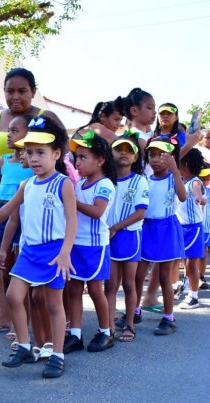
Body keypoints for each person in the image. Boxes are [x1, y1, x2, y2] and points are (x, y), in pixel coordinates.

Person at [0, 116, 76, 378]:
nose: (34, 158)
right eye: (29, 152)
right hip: (29, 252)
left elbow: (72, 220)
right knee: (13, 296)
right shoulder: (26, 184)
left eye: (41, 152)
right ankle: (25, 345)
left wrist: (65, 252)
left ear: (56, 154)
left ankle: (58, 355)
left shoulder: (63, 183)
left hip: (54, 252)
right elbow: (7, 210)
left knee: (54, 304)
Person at [0, 114, 33, 335]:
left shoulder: (32, 163)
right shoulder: (2, 161)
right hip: (3, 214)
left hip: (24, 216)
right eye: (8, 130)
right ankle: (4, 316)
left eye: (14, 131)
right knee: (4, 268)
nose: (8, 135)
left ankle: (21, 321)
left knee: (22, 270)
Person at [64, 131, 116, 353]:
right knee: (73, 290)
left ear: (101, 160)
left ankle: (106, 331)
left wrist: (72, 202)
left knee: (96, 290)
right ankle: (75, 333)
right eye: (77, 157)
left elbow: (97, 211)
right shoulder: (79, 185)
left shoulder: (105, 185)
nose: (78, 162)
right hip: (76, 244)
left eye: (84, 157)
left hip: (95, 245)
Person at [134, 137, 187, 335]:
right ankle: (135, 310)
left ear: (171, 158)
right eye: (152, 155)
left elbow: (183, 197)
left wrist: (174, 169)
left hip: (166, 229)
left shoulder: (173, 178)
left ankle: (168, 317)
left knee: (164, 276)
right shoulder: (145, 180)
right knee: (138, 275)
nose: (155, 159)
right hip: (147, 228)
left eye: (161, 156)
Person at [105, 132, 148, 343]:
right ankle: (109, 326)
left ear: (136, 156)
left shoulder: (140, 181)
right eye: (119, 149)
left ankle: (130, 324)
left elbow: (140, 212)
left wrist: (116, 227)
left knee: (129, 284)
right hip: (108, 237)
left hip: (129, 236)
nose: (124, 154)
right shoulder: (105, 181)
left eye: (129, 151)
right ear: (110, 153)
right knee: (110, 285)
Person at [176, 149, 206, 309]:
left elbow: (197, 193)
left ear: (185, 164)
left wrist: (199, 198)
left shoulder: (195, 182)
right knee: (180, 261)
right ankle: (178, 286)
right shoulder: (180, 180)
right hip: (180, 226)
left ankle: (194, 296)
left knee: (191, 263)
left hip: (193, 228)